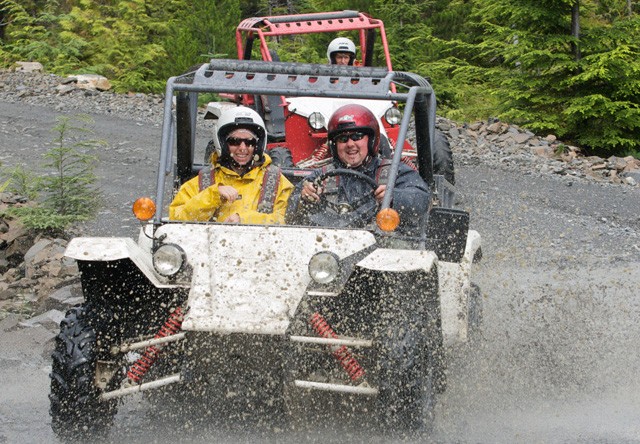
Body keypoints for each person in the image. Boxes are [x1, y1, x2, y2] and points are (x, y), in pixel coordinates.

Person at [287, 104, 431, 233]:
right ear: (334, 145)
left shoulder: (394, 172)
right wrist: (304, 198)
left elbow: (423, 200)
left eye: (357, 136)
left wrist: (394, 197)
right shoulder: (322, 176)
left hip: (384, 250)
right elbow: (289, 212)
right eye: (343, 139)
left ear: (371, 140)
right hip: (329, 250)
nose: (350, 144)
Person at [170, 106, 293, 224]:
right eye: (235, 141)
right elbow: (176, 219)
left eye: (249, 142)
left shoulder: (277, 183)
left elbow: (287, 221)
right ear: (223, 144)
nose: (243, 148)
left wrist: (245, 220)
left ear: (257, 146)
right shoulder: (202, 183)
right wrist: (213, 195)